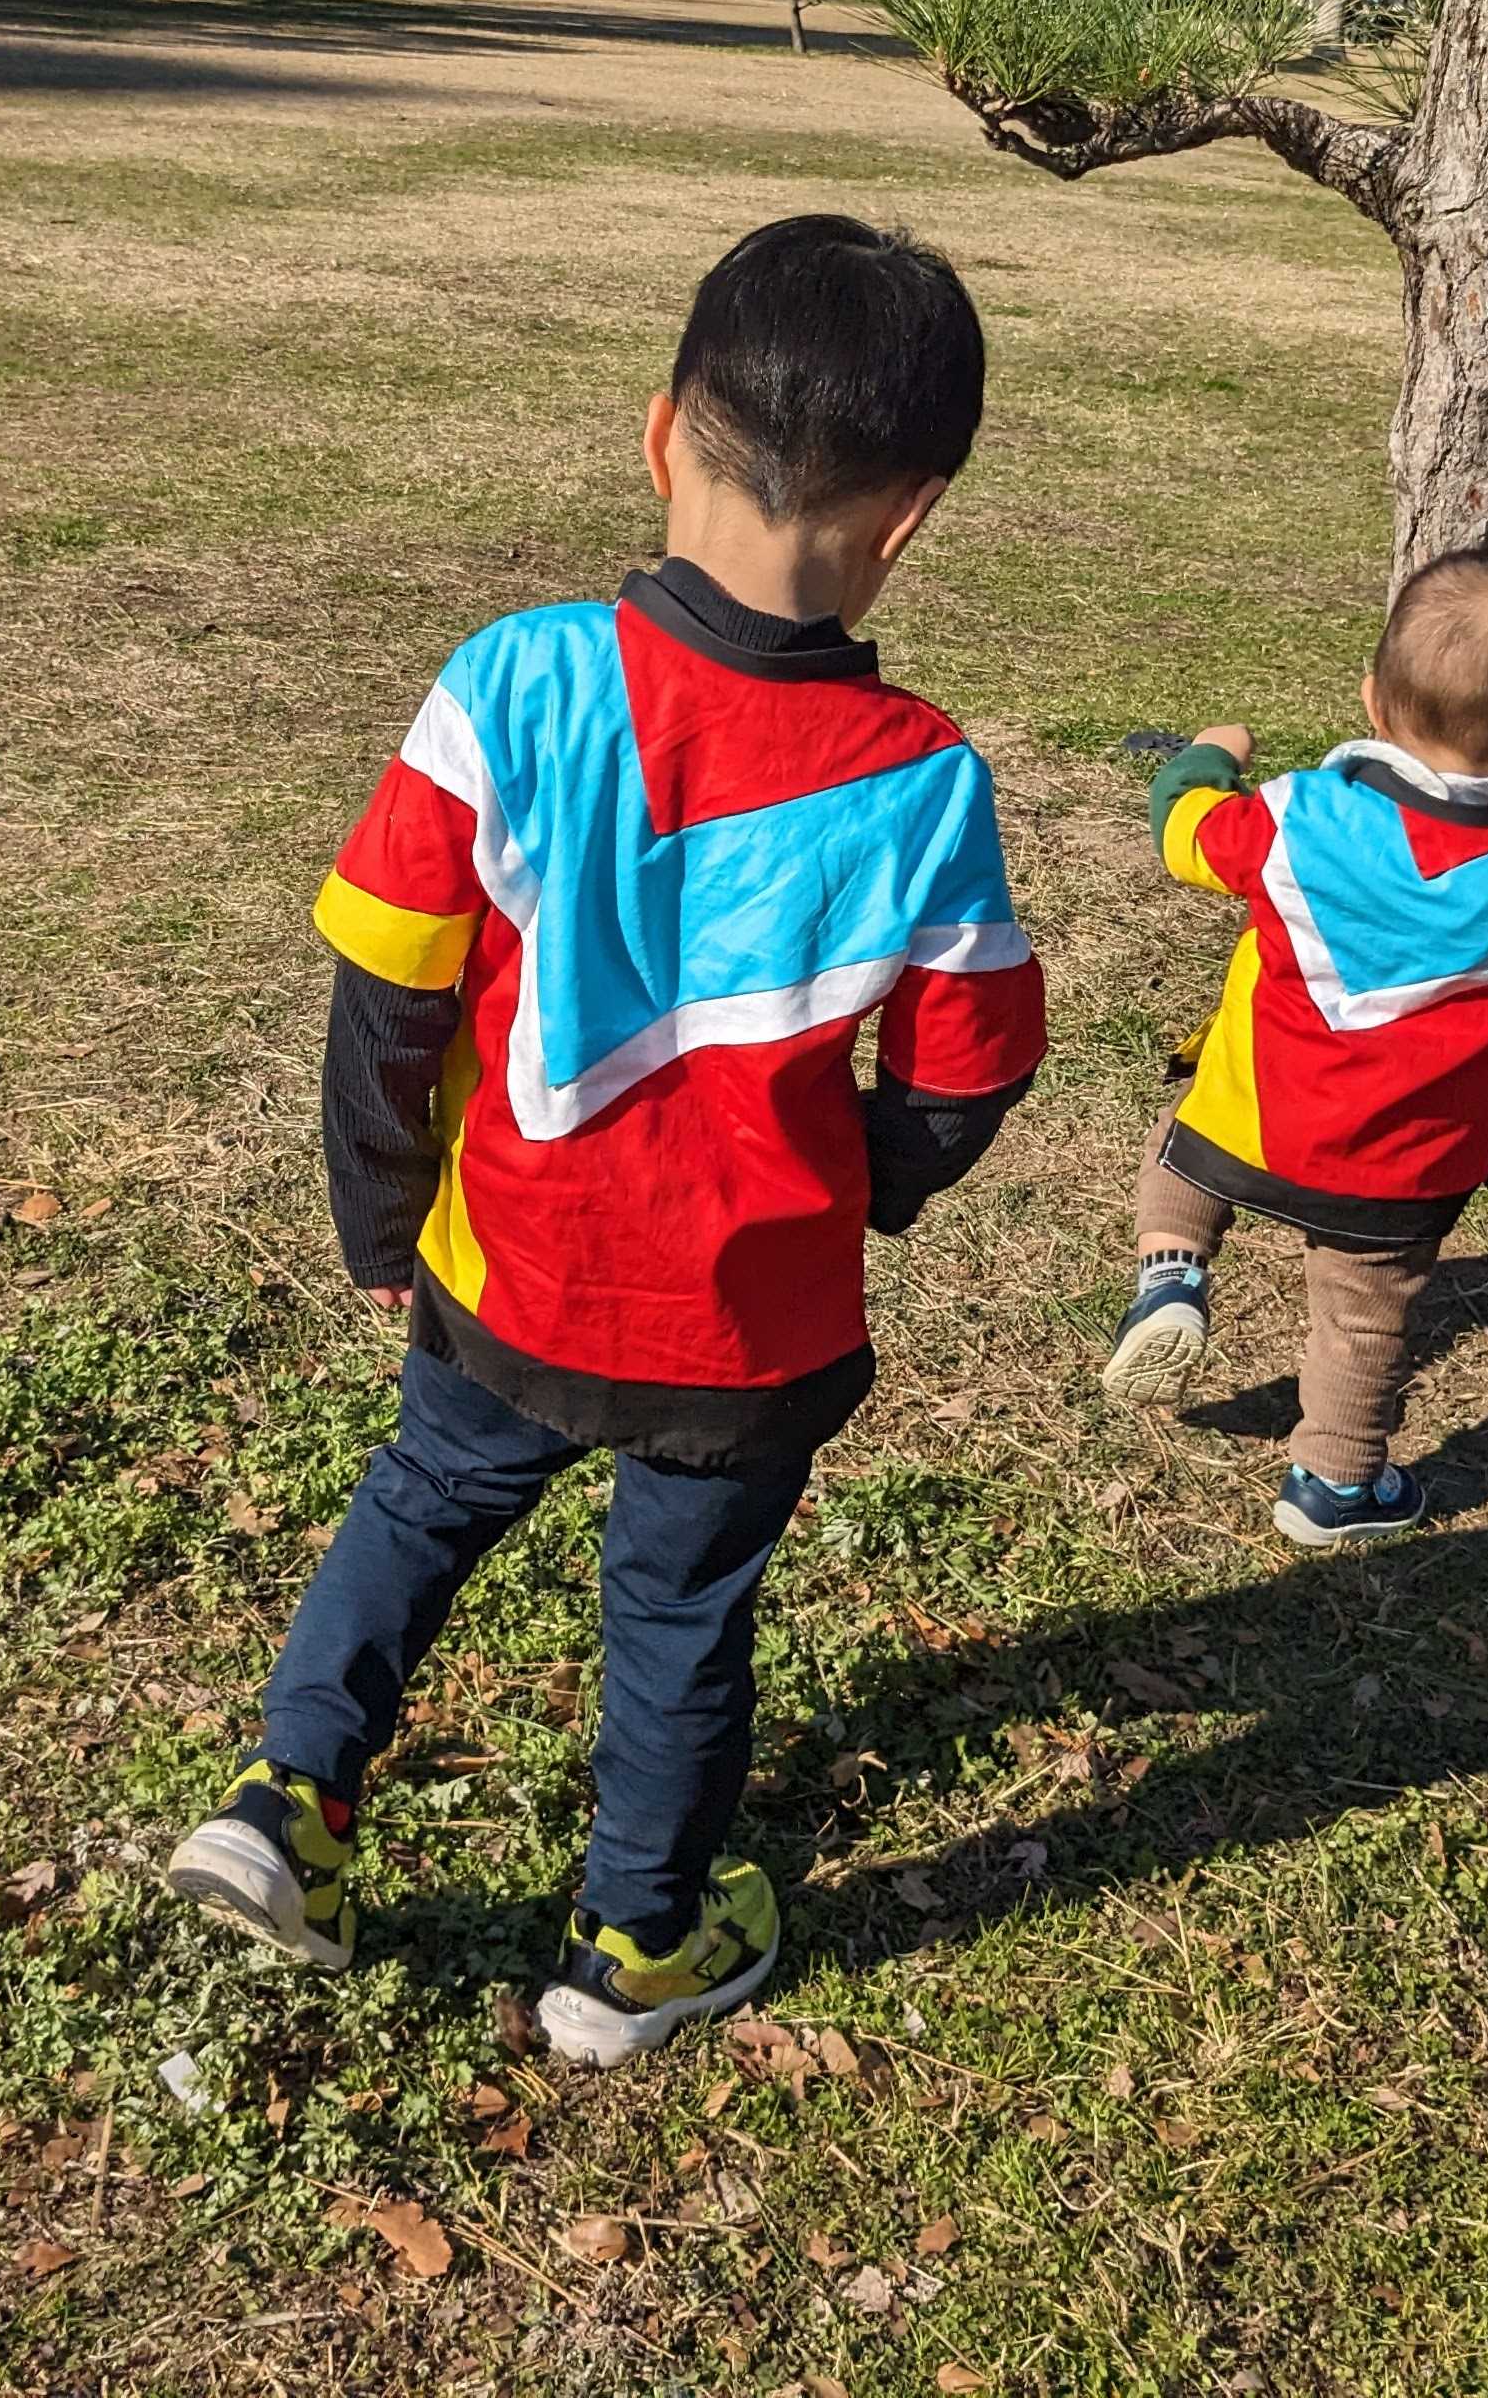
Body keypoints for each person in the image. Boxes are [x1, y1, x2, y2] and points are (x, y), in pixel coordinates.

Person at [167, 216, 1046, 2064]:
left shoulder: (508, 681)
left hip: (503, 1266)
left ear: (661, 432)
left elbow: (386, 987)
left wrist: (379, 1202)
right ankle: (632, 1939)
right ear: (911, 516)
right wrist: (871, 1179)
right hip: (748, 1330)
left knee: (418, 1502)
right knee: (679, 1612)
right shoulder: (925, 774)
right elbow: (967, 1067)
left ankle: (287, 1799)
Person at [1099, 555, 1488, 1547]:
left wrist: (1205, 756)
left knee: (1185, 1140)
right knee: (1364, 1316)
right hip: (1398, 1172)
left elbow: (1180, 830)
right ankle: (1334, 1485)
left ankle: (1172, 1270)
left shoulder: (1289, 819)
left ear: (1371, 699)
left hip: (1251, 1123)